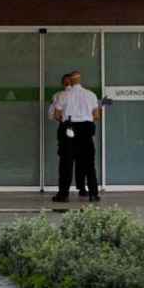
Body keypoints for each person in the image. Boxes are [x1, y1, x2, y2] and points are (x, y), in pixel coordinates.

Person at [51, 71, 100, 202]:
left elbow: (57, 115)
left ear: (70, 81)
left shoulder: (63, 95)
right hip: (86, 130)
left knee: (66, 163)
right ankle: (93, 194)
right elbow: (96, 116)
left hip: (69, 129)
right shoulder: (91, 95)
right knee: (89, 163)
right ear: (80, 80)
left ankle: (63, 194)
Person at [47, 73, 86, 196]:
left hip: (70, 127)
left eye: (69, 81)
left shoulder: (62, 95)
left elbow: (52, 115)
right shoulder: (86, 94)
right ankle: (75, 189)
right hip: (77, 128)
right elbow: (51, 114)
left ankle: (69, 191)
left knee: (69, 161)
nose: (68, 84)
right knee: (76, 160)